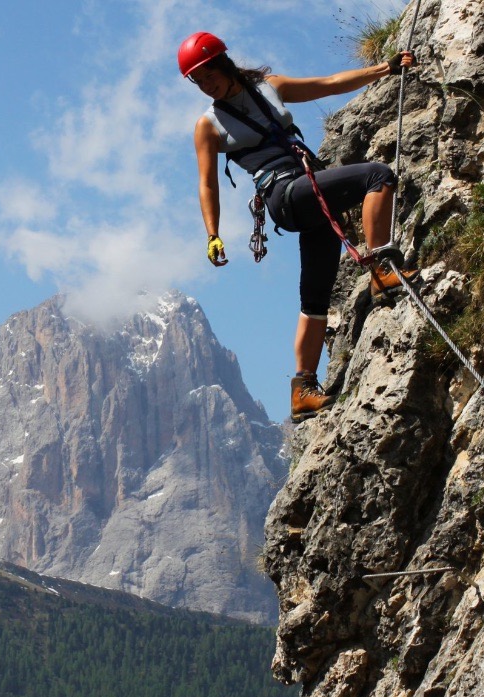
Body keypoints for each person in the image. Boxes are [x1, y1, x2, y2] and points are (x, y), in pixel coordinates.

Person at [178, 31, 419, 423]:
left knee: (316, 294)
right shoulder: (208, 125)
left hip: (308, 190)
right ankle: (380, 270)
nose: (206, 85)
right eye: (199, 81)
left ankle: (302, 389)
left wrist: (385, 69)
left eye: (208, 75)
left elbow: (327, 85)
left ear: (223, 62)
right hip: (285, 195)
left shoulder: (268, 88)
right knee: (378, 176)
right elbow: (207, 182)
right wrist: (212, 234)